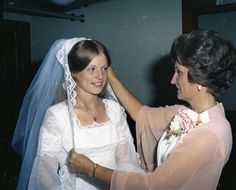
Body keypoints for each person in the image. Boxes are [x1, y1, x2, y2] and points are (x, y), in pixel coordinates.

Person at [67, 29, 236, 190]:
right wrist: (109, 74)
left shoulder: (211, 134)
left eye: (179, 72)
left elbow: (152, 186)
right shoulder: (185, 113)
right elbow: (142, 115)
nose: (172, 79)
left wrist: (91, 169)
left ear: (201, 79)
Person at [12, 38, 143, 189]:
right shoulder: (57, 116)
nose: (100, 76)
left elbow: (127, 162)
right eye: (91, 69)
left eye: (104, 68)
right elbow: (45, 174)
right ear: (74, 72)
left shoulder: (114, 110)